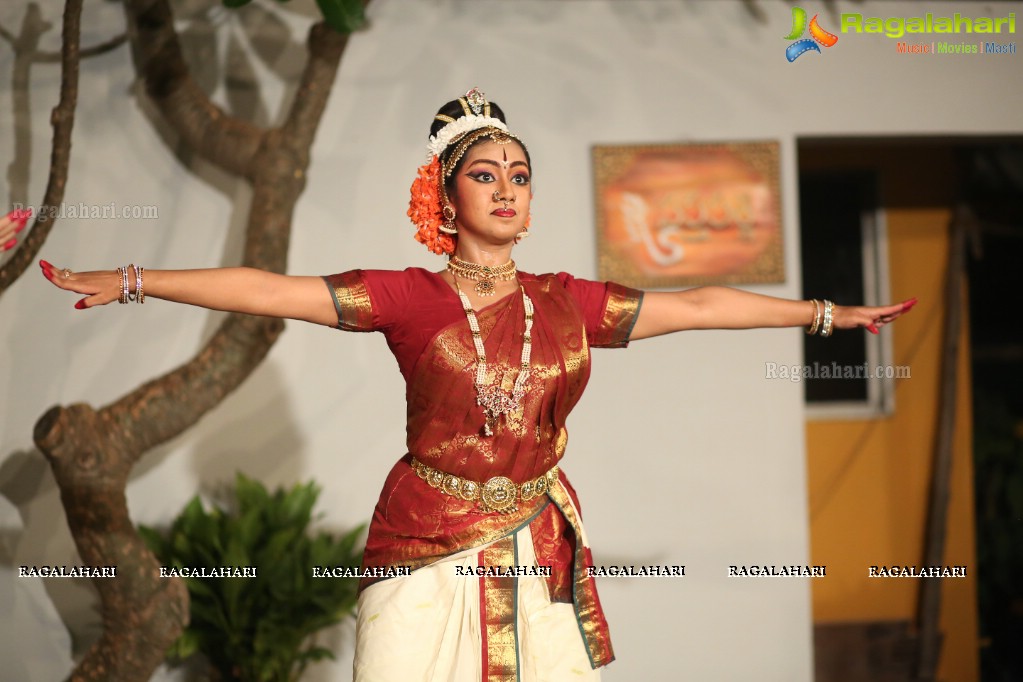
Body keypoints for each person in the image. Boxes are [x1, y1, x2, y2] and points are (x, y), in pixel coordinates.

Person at [38, 88, 915, 681]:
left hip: (535, 538)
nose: (506, 189)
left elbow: (698, 306)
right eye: (484, 174)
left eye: (519, 176)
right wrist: (131, 279)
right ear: (446, 197)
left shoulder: (569, 303)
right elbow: (269, 290)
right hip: (423, 539)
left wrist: (824, 315)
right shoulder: (404, 297)